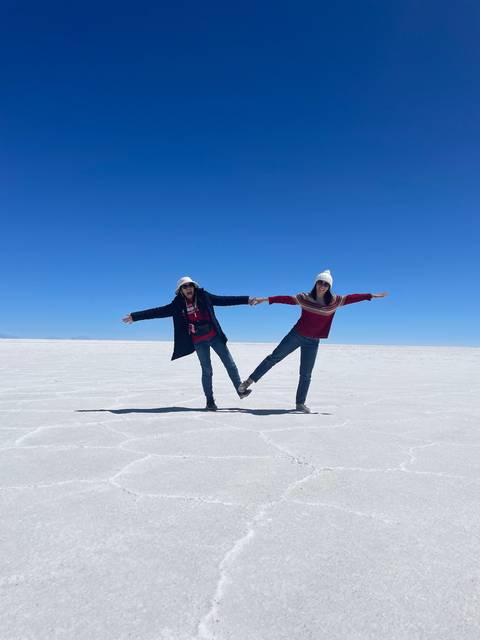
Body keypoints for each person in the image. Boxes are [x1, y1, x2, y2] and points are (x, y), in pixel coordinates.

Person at [239, 270, 388, 413]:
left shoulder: (335, 301)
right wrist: (264, 299)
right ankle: (247, 382)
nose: (322, 286)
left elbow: (352, 298)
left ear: (329, 287)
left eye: (326, 284)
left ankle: (300, 403)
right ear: (316, 283)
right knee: (274, 358)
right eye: (320, 282)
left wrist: (371, 296)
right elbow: (284, 299)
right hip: (296, 335)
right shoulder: (305, 297)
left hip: (313, 341)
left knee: (306, 374)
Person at [123, 276, 255, 411]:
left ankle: (240, 390)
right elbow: (158, 312)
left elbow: (225, 300)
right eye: (184, 287)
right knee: (207, 371)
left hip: (214, 336)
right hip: (198, 341)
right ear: (181, 291)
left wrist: (246, 300)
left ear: (194, 287)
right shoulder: (177, 305)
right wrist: (135, 316)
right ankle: (210, 402)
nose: (188, 288)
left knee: (230, 364)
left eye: (190, 285)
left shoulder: (204, 296)